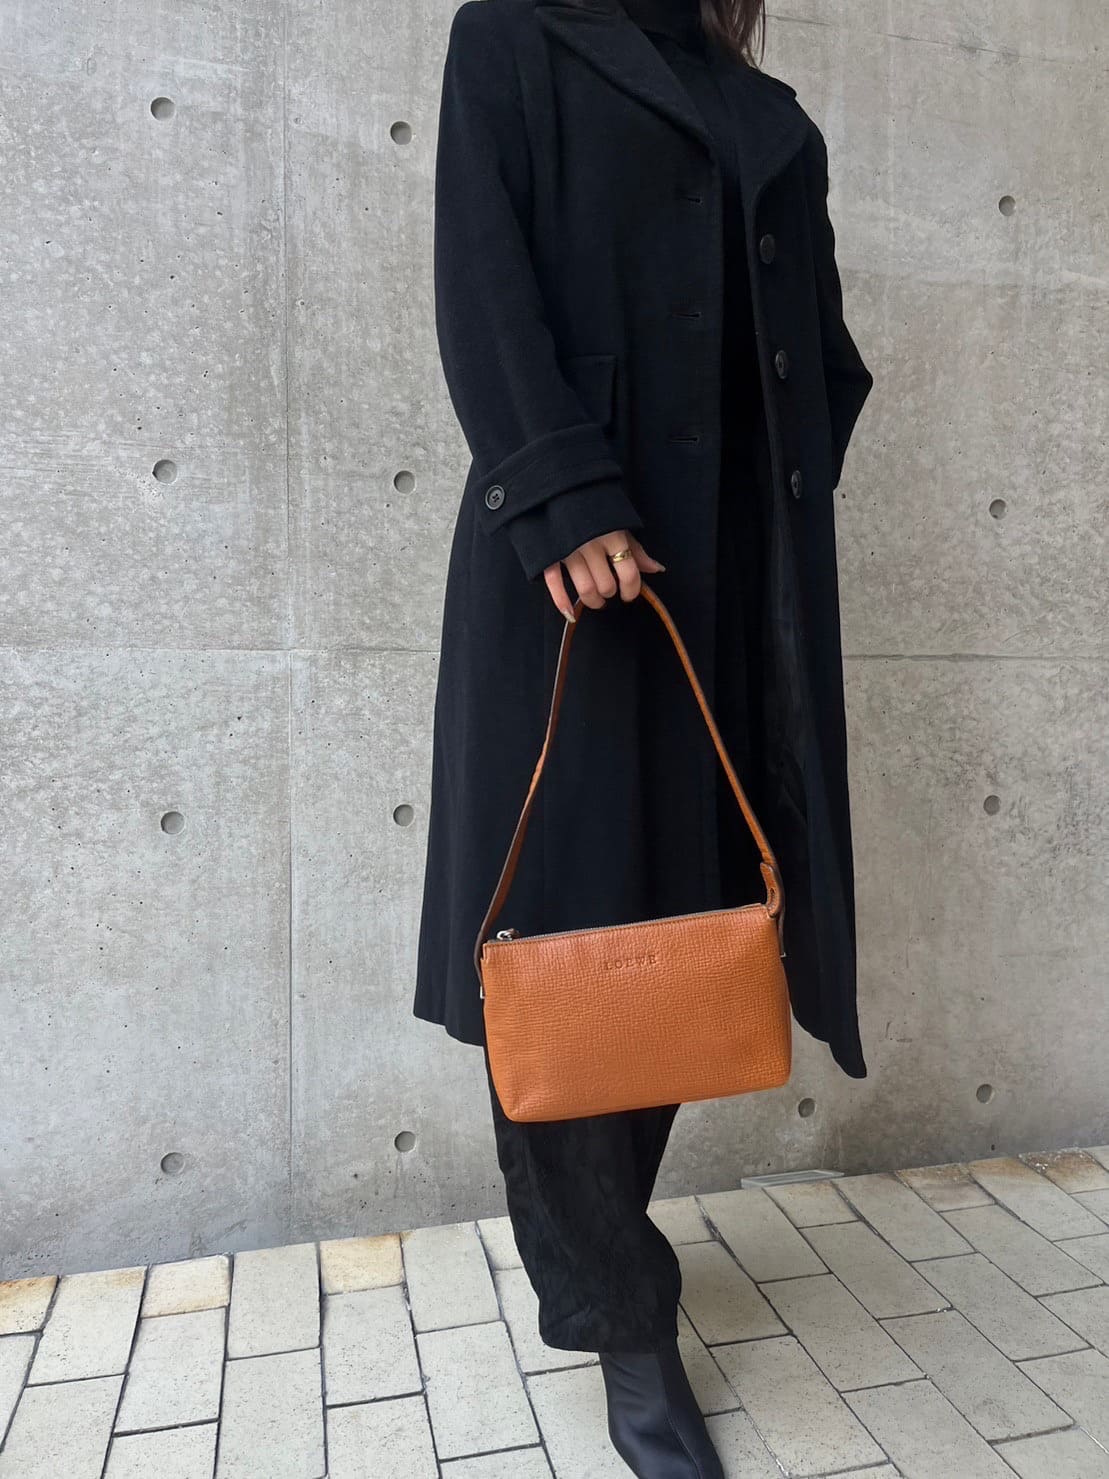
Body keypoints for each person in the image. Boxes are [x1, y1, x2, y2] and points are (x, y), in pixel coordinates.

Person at [413, 0, 873, 1472]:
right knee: (564, 945)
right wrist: (562, 492)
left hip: (733, 587)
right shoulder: (515, 36)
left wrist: (783, 486)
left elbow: (821, 351)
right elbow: (483, 280)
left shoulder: (764, 109)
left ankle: (613, 1269)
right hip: (579, 577)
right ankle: (623, 1316)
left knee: (682, 938)